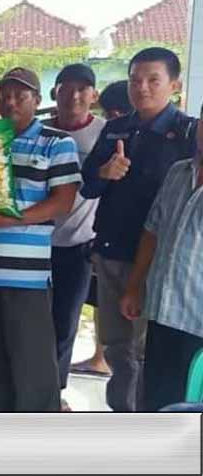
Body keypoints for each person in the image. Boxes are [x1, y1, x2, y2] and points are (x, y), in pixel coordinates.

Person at [81, 47, 197, 412]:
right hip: (115, 252)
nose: (142, 88)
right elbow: (86, 188)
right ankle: (122, 417)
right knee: (117, 346)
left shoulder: (189, 133)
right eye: (135, 80)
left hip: (166, 265)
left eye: (153, 80)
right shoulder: (116, 128)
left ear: (174, 85)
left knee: (154, 351)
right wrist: (104, 173)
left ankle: (151, 419)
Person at [0, 67, 81, 411]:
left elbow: (63, 202)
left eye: (21, 94)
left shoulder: (57, 142)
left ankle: (36, 441)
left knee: (32, 366)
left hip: (25, 275)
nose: (12, 101)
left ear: (37, 100)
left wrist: (7, 219)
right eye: (6, 94)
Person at [120, 108, 203, 411]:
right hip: (162, 313)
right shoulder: (179, 172)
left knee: (189, 409)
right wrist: (134, 286)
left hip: (199, 323)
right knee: (155, 400)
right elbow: (152, 230)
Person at [45, 64, 107, 409]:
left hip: (80, 246)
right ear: (56, 93)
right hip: (36, 243)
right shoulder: (40, 132)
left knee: (66, 321)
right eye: (67, 87)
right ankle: (31, 386)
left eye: (83, 88)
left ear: (93, 95)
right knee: (33, 320)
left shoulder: (106, 133)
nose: (75, 95)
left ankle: (55, 392)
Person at [70, 80, 133, 378]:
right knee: (113, 332)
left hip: (150, 253)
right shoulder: (112, 134)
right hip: (106, 244)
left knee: (140, 343)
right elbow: (89, 187)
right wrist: (103, 173)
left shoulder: (180, 133)